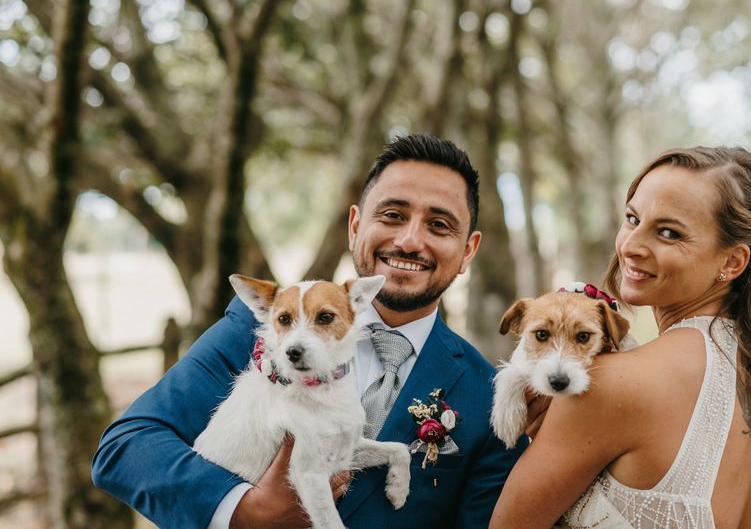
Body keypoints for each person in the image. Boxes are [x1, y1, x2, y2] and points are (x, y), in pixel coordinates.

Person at [92, 134, 526, 529]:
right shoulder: (260, 327)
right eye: (392, 215)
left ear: (468, 250)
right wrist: (246, 511)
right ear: (355, 226)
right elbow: (126, 448)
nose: (411, 241)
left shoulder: (487, 397)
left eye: (439, 225)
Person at [490, 146, 751, 528]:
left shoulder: (608, 383)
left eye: (668, 232)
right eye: (632, 218)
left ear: (732, 261)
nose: (630, 246)